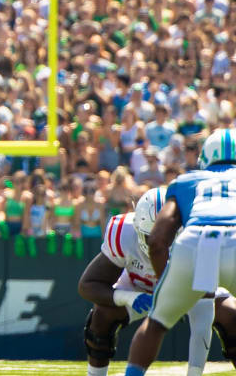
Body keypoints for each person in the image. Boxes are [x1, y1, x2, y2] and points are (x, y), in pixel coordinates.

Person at [79, 187, 236, 376]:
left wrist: (194, 373)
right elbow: (88, 285)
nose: (161, 243)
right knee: (101, 314)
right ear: (137, 227)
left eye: (169, 237)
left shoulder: (200, 236)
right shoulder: (124, 232)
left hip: (190, 291)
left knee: (231, 315)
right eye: (153, 236)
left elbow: (202, 318)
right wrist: (128, 298)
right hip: (142, 291)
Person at [124, 129, 236, 376]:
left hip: (196, 242)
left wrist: (168, 283)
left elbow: (157, 239)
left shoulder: (187, 181)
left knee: (156, 323)